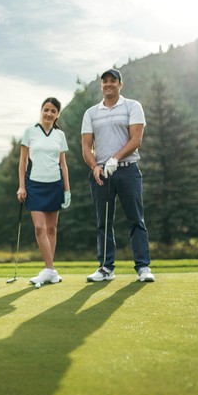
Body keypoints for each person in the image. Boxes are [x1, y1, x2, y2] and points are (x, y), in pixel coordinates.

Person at [81, 68, 155, 282]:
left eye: (113, 80)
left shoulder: (133, 106)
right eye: (104, 81)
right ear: (101, 86)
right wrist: (95, 166)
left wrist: (114, 159)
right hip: (101, 174)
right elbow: (86, 146)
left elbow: (136, 139)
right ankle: (105, 268)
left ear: (120, 84)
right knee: (103, 222)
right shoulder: (91, 113)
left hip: (128, 170)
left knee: (136, 219)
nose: (108, 84)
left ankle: (143, 267)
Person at [17, 97, 71, 285]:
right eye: (46, 110)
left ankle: (50, 270)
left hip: (54, 184)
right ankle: (50, 270)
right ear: (41, 110)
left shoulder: (60, 135)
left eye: (53, 111)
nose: (48, 114)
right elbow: (23, 162)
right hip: (34, 185)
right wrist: (22, 186)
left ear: (57, 115)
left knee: (51, 228)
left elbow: (63, 165)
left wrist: (67, 190)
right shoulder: (30, 132)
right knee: (39, 228)